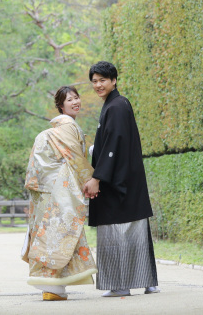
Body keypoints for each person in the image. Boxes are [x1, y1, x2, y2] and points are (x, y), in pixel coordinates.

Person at [83, 61, 159, 297]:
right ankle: (148, 282)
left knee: (115, 233)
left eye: (102, 80)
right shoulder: (117, 103)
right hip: (127, 178)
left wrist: (97, 177)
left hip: (117, 181)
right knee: (134, 230)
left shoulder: (115, 106)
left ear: (114, 80)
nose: (98, 85)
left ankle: (120, 285)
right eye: (94, 81)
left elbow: (112, 146)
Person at [22, 86, 97, 301]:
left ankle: (53, 287)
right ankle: (54, 287)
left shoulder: (59, 127)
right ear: (60, 106)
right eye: (69, 100)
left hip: (47, 189)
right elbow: (75, 159)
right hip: (58, 189)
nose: (75, 102)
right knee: (62, 232)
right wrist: (91, 181)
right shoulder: (67, 126)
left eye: (76, 98)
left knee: (50, 233)